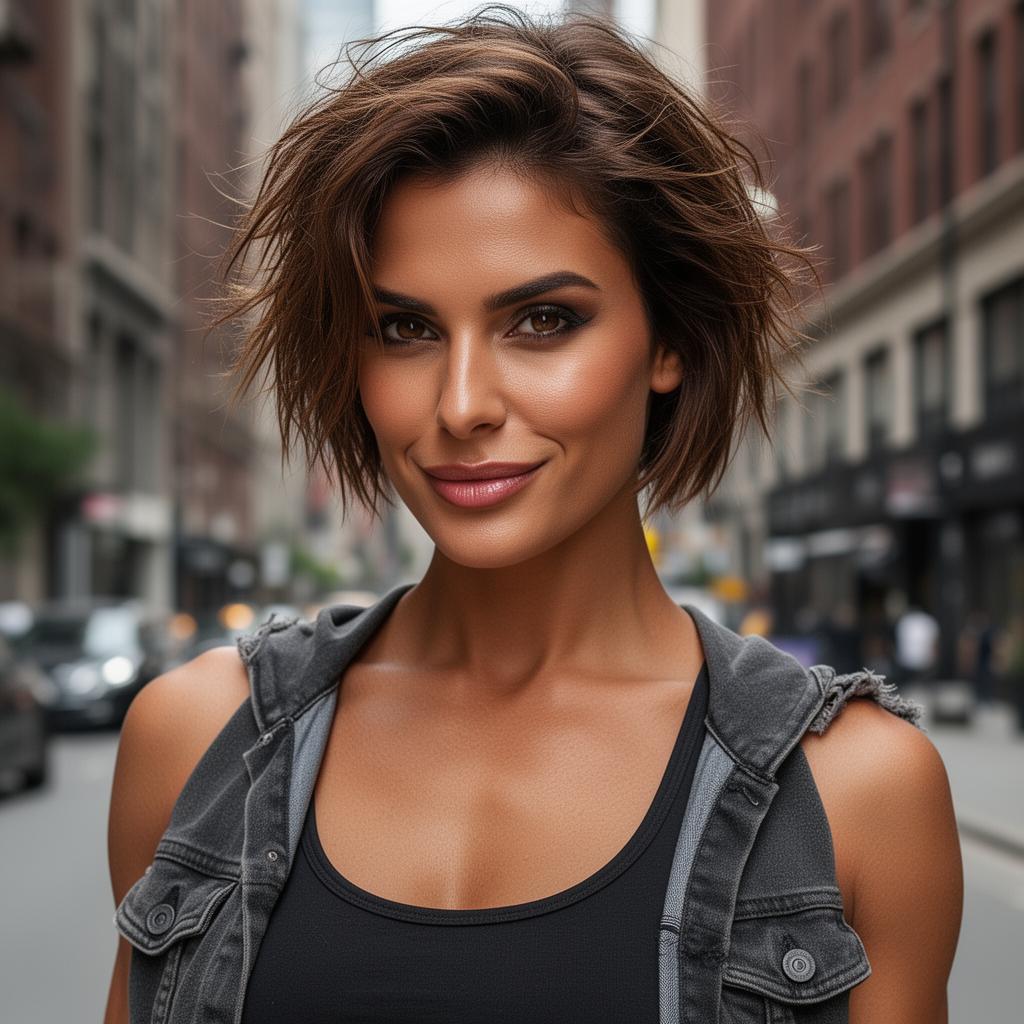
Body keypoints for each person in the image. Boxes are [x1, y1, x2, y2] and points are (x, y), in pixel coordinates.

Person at [103, 7, 962, 1023]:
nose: (462, 402)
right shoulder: (197, 741)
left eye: (543, 320)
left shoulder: (857, 792)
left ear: (668, 340)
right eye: (405, 328)